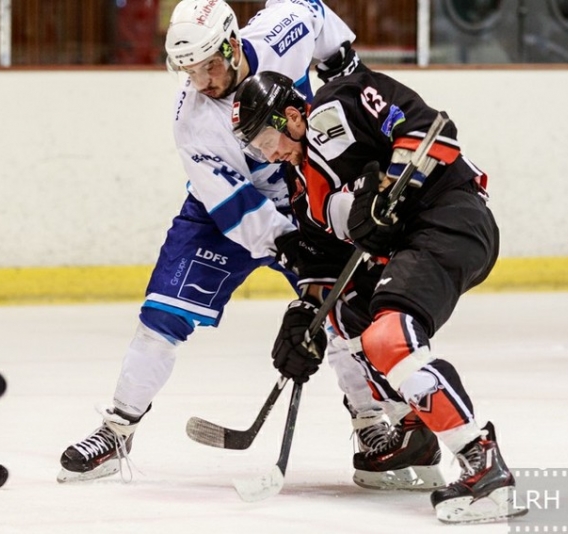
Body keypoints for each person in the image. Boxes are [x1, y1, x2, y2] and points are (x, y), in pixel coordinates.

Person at [57, 0, 391, 485]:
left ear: (233, 44)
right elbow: (234, 207)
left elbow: (314, 12)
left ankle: (369, 423)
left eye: (208, 65)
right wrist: (289, 243)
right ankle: (117, 430)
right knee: (161, 318)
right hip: (224, 214)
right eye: (188, 71)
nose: (201, 80)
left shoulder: (281, 32)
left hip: (307, 192)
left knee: (339, 311)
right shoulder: (192, 121)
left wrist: (338, 56)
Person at [230, 70, 528, 523]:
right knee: (345, 318)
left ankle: (482, 462)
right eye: (255, 149)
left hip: (450, 217)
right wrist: (303, 316)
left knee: (389, 337)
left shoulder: (336, 105)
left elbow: (430, 130)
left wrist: (390, 187)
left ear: (292, 115)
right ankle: (417, 434)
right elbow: (324, 267)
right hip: (405, 248)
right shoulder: (303, 194)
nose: (267, 154)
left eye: (266, 139)